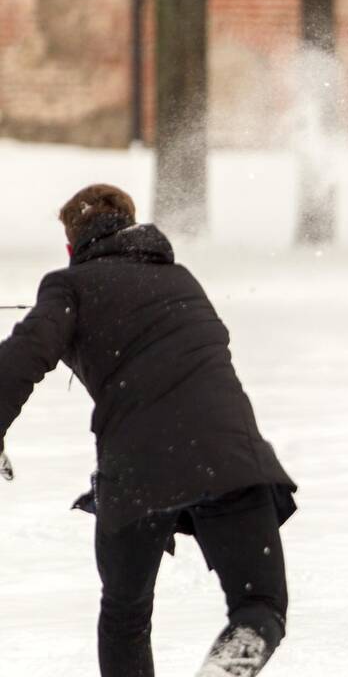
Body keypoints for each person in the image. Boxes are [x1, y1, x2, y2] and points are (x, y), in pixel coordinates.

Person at [0, 184, 297, 677]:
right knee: (259, 607)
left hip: (138, 470)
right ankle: (224, 671)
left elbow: (22, 357)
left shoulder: (68, 287)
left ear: (72, 246)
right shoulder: (181, 279)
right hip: (230, 458)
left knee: (125, 615)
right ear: (134, 229)